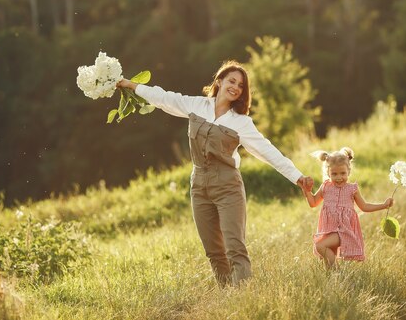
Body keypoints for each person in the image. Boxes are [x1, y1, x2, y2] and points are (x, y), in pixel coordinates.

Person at [116, 60, 313, 286]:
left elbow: (268, 152)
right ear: (219, 81)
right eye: (232, 81)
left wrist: (298, 177)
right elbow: (164, 98)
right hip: (199, 186)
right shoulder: (198, 105)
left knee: (235, 248)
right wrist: (131, 85)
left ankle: (244, 299)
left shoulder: (242, 123)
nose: (236, 87)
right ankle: (227, 296)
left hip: (228, 186)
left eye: (240, 85)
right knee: (213, 251)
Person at [299, 147, 393, 268]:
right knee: (327, 260)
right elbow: (313, 203)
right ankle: (334, 279)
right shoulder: (326, 187)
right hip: (328, 229)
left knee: (320, 246)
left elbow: (364, 207)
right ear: (328, 173)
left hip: (343, 230)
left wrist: (383, 205)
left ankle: (338, 271)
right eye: (334, 174)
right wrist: (306, 191)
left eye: (343, 173)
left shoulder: (351, 189)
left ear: (349, 171)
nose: (339, 177)